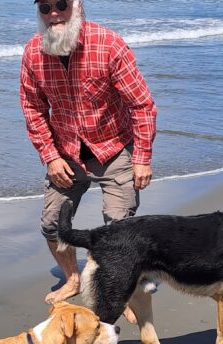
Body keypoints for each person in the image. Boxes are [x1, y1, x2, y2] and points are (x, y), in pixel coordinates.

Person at [20, 0, 157, 312]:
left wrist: (142, 158)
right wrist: (51, 156)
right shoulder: (32, 53)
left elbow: (142, 106)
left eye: (60, 4)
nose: (53, 13)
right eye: (44, 7)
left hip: (114, 149)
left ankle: (118, 284)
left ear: (77, 5)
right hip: (65, 155)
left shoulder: (109, 44)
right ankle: (72, 278)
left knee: (119, 226)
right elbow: (33, 110)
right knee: (52, 226)